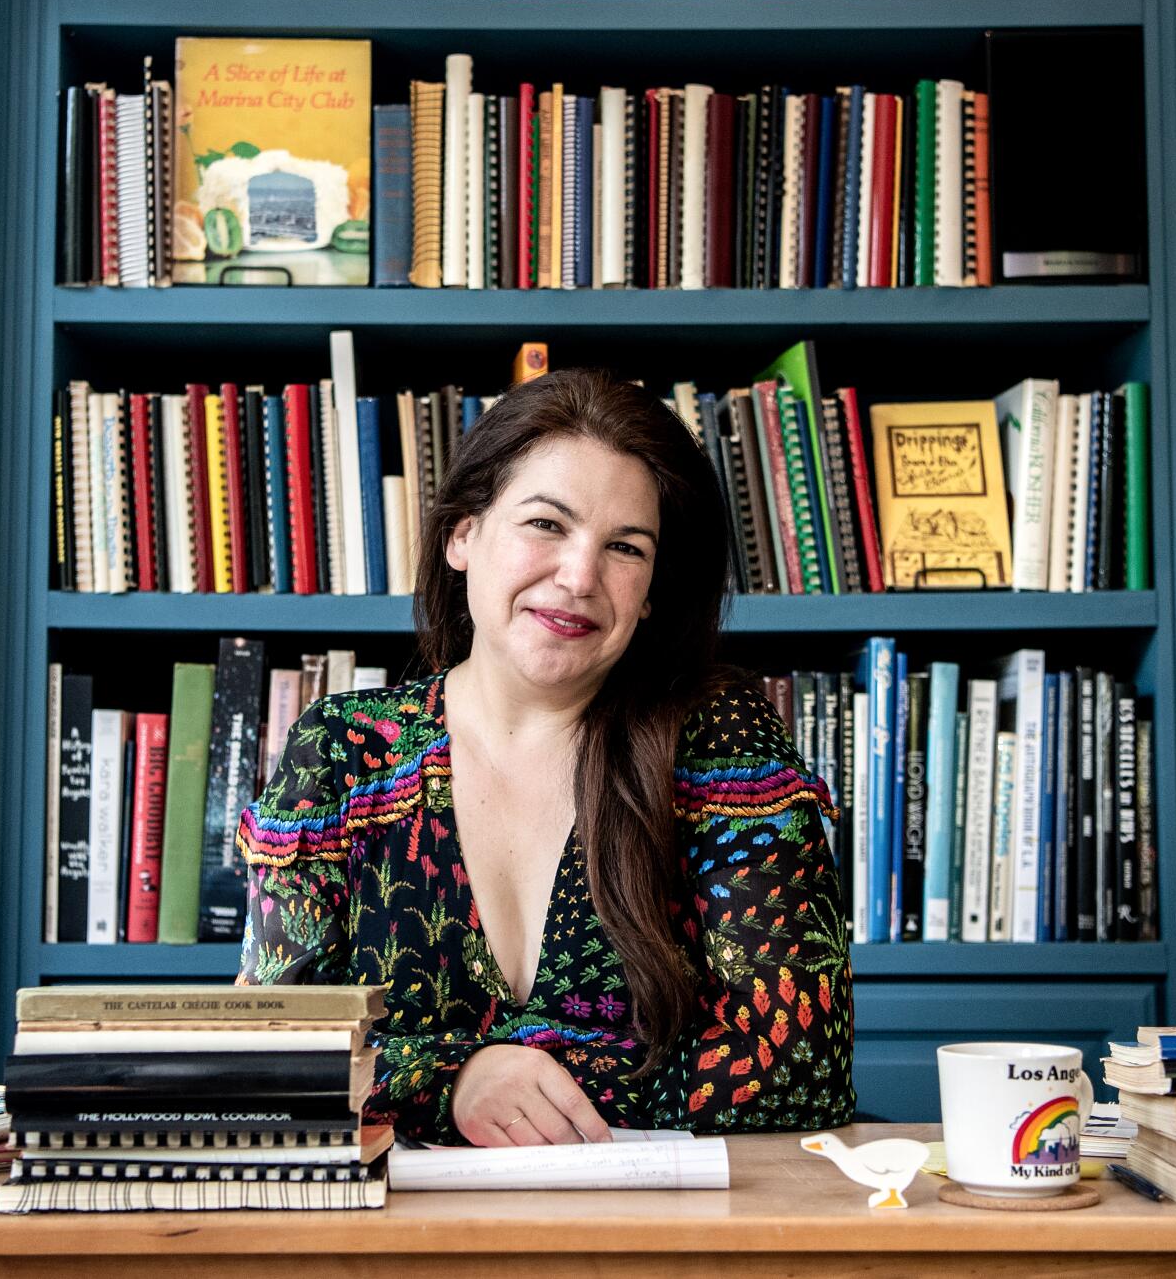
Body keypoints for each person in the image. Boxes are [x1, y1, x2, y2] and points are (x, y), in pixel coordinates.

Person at [234, 368, 854, 1146]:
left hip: (650, 1248)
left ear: (653, 589)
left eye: (625, 547)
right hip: (392, 1251)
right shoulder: (341, 754)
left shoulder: (717, 738)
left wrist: (490, 1073)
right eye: (547, 525)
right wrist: (457, 1081)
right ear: (463, 534)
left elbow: (801, 1063)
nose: (579, 577)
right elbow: (267, 1051)